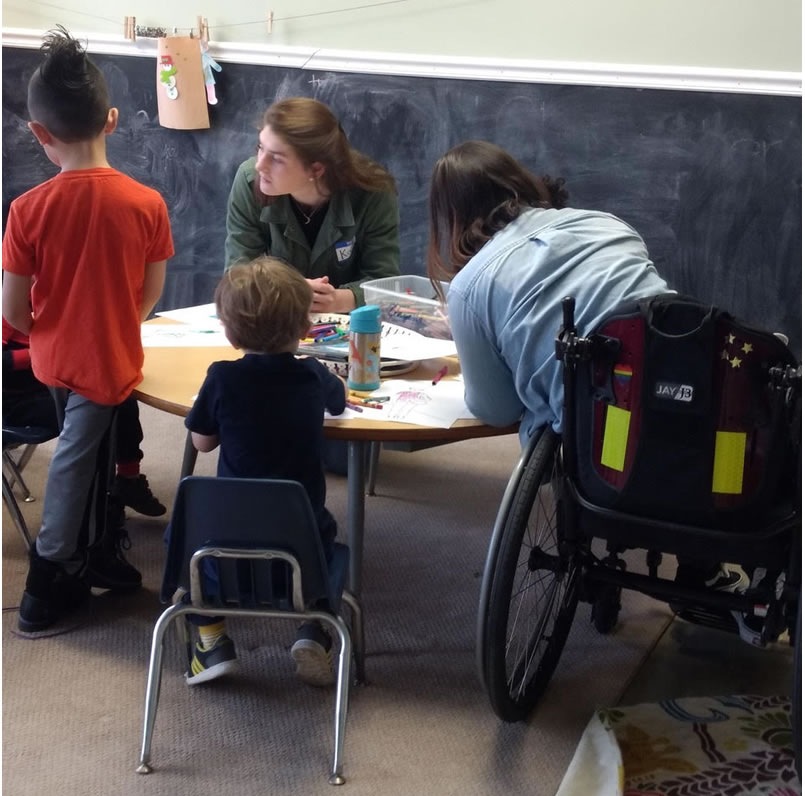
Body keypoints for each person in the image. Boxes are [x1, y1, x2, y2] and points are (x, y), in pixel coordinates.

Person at [425, 140, 753, 633]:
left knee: (567, 407)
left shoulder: (471, 285)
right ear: (521, 183)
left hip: (602, 443)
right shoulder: (606, 224)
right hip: (697, 396)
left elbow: (493, 408)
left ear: (449, 218)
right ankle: (705, 564)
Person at [1, 27, 174, 632]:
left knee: (89, 458)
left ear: (39, 134)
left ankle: (95, 552)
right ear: (114, 119)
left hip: (53, 360)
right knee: (79, 462)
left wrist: (58, 325)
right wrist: (108, 323)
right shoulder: (146, 204)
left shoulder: (27, 210)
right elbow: (149, 299)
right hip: (108, 362)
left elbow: (15, 314)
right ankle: (48, 584)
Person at [180, 256, 348, 686]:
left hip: (222, 551)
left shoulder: (220, 377)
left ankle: (212, 638)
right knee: (330, 547)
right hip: (299, 546)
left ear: (230, 332)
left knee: (185, 540)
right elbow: (339, 402)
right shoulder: (312, 375)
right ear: (305, 328)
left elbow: (202, 443)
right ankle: (313, 629)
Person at [225, 96, 400, 313]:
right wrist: (287, 291)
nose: (261, 165)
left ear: (316, 169)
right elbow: (237, 274)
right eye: (260, 148)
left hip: (348, 326)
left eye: (277, 159)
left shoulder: (373, 192)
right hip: (274, 318)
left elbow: (384, 282)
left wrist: (339, 299)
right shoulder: (249, 179)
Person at [3, 318, 166, 517]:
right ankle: (104, 499)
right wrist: (38, 352)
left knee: (118, 393)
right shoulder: (9, 309)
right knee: (104, 407)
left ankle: (126, 480)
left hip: (52, 384)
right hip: (16, 403)